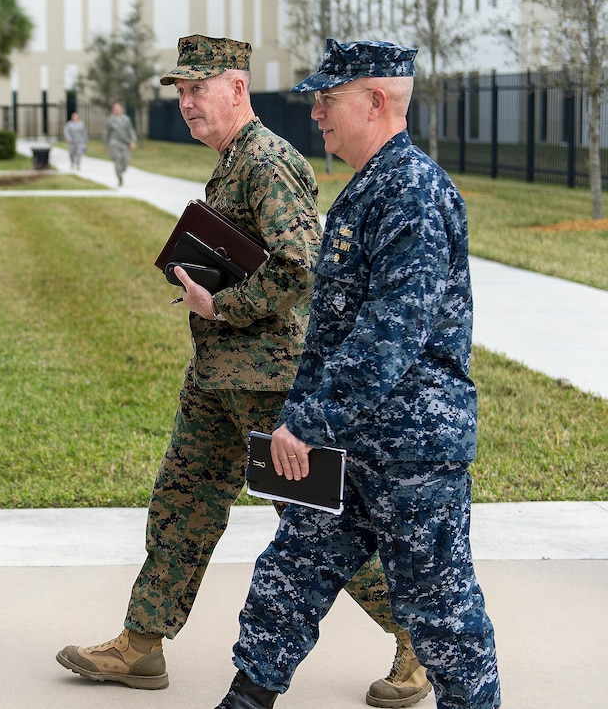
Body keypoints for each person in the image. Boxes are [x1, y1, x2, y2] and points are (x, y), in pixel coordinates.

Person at [56, 35, 428, 707]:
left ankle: (420, 640)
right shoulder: (233, 163)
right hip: (218, 377)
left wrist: (219, 300)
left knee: (320, 519)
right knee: (182, 505)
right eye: (180, 92)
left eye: (198, 89)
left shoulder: (266, 161)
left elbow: (301, 268)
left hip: (269, 382)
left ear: (237, 88)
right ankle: (140, 644)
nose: (187, 104)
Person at [214, 39, 501, 709]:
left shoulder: (414, 193)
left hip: (412, 449)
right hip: (346, 444)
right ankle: (245, 700)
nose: (316, 111)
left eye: (328, 98)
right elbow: (333, 330)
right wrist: (303, 416)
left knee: (440, 614)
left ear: (375, 101)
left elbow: (393, 330)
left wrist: (309, 421)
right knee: (288, 576)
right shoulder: (370, 188)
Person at [102, 102, 136, 186]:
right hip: (114, 142)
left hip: (124, 142)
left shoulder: (126, 119)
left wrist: (133, 141)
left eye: (118, 108)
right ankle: (119, 176)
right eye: (115, 109)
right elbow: (106, 133)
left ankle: (122, 170)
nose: (117, 110)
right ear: (113, 110)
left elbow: (131, 131)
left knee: (126, 159)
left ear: (121, 109)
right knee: (117, 159)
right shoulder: (110, 120)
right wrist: (105, 144)